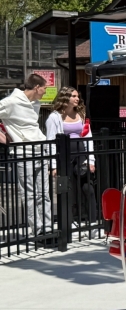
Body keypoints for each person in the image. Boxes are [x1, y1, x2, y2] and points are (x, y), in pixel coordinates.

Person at [0, 74, 54, 237]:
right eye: (44, 88)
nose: (45, 91)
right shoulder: (11, 102)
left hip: (40, 150)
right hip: (23, 152)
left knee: (44, 193)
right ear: (37, 87)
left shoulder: (35, 103)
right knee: (30, 193)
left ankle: (47, 228)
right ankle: (38, 230)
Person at [46, 87, 98, 235]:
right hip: (64, 156)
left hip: (81, 155)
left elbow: (88, 137)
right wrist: (53, 165)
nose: (77, 99)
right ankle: (68, 223)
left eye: (78, 96)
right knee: (67, 190)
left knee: (88, 188)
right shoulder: (54, 117)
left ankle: (92, 223)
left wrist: (91, 159)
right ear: (65, 98)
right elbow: (50, 141)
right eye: (74, 96)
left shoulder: (80, 114)